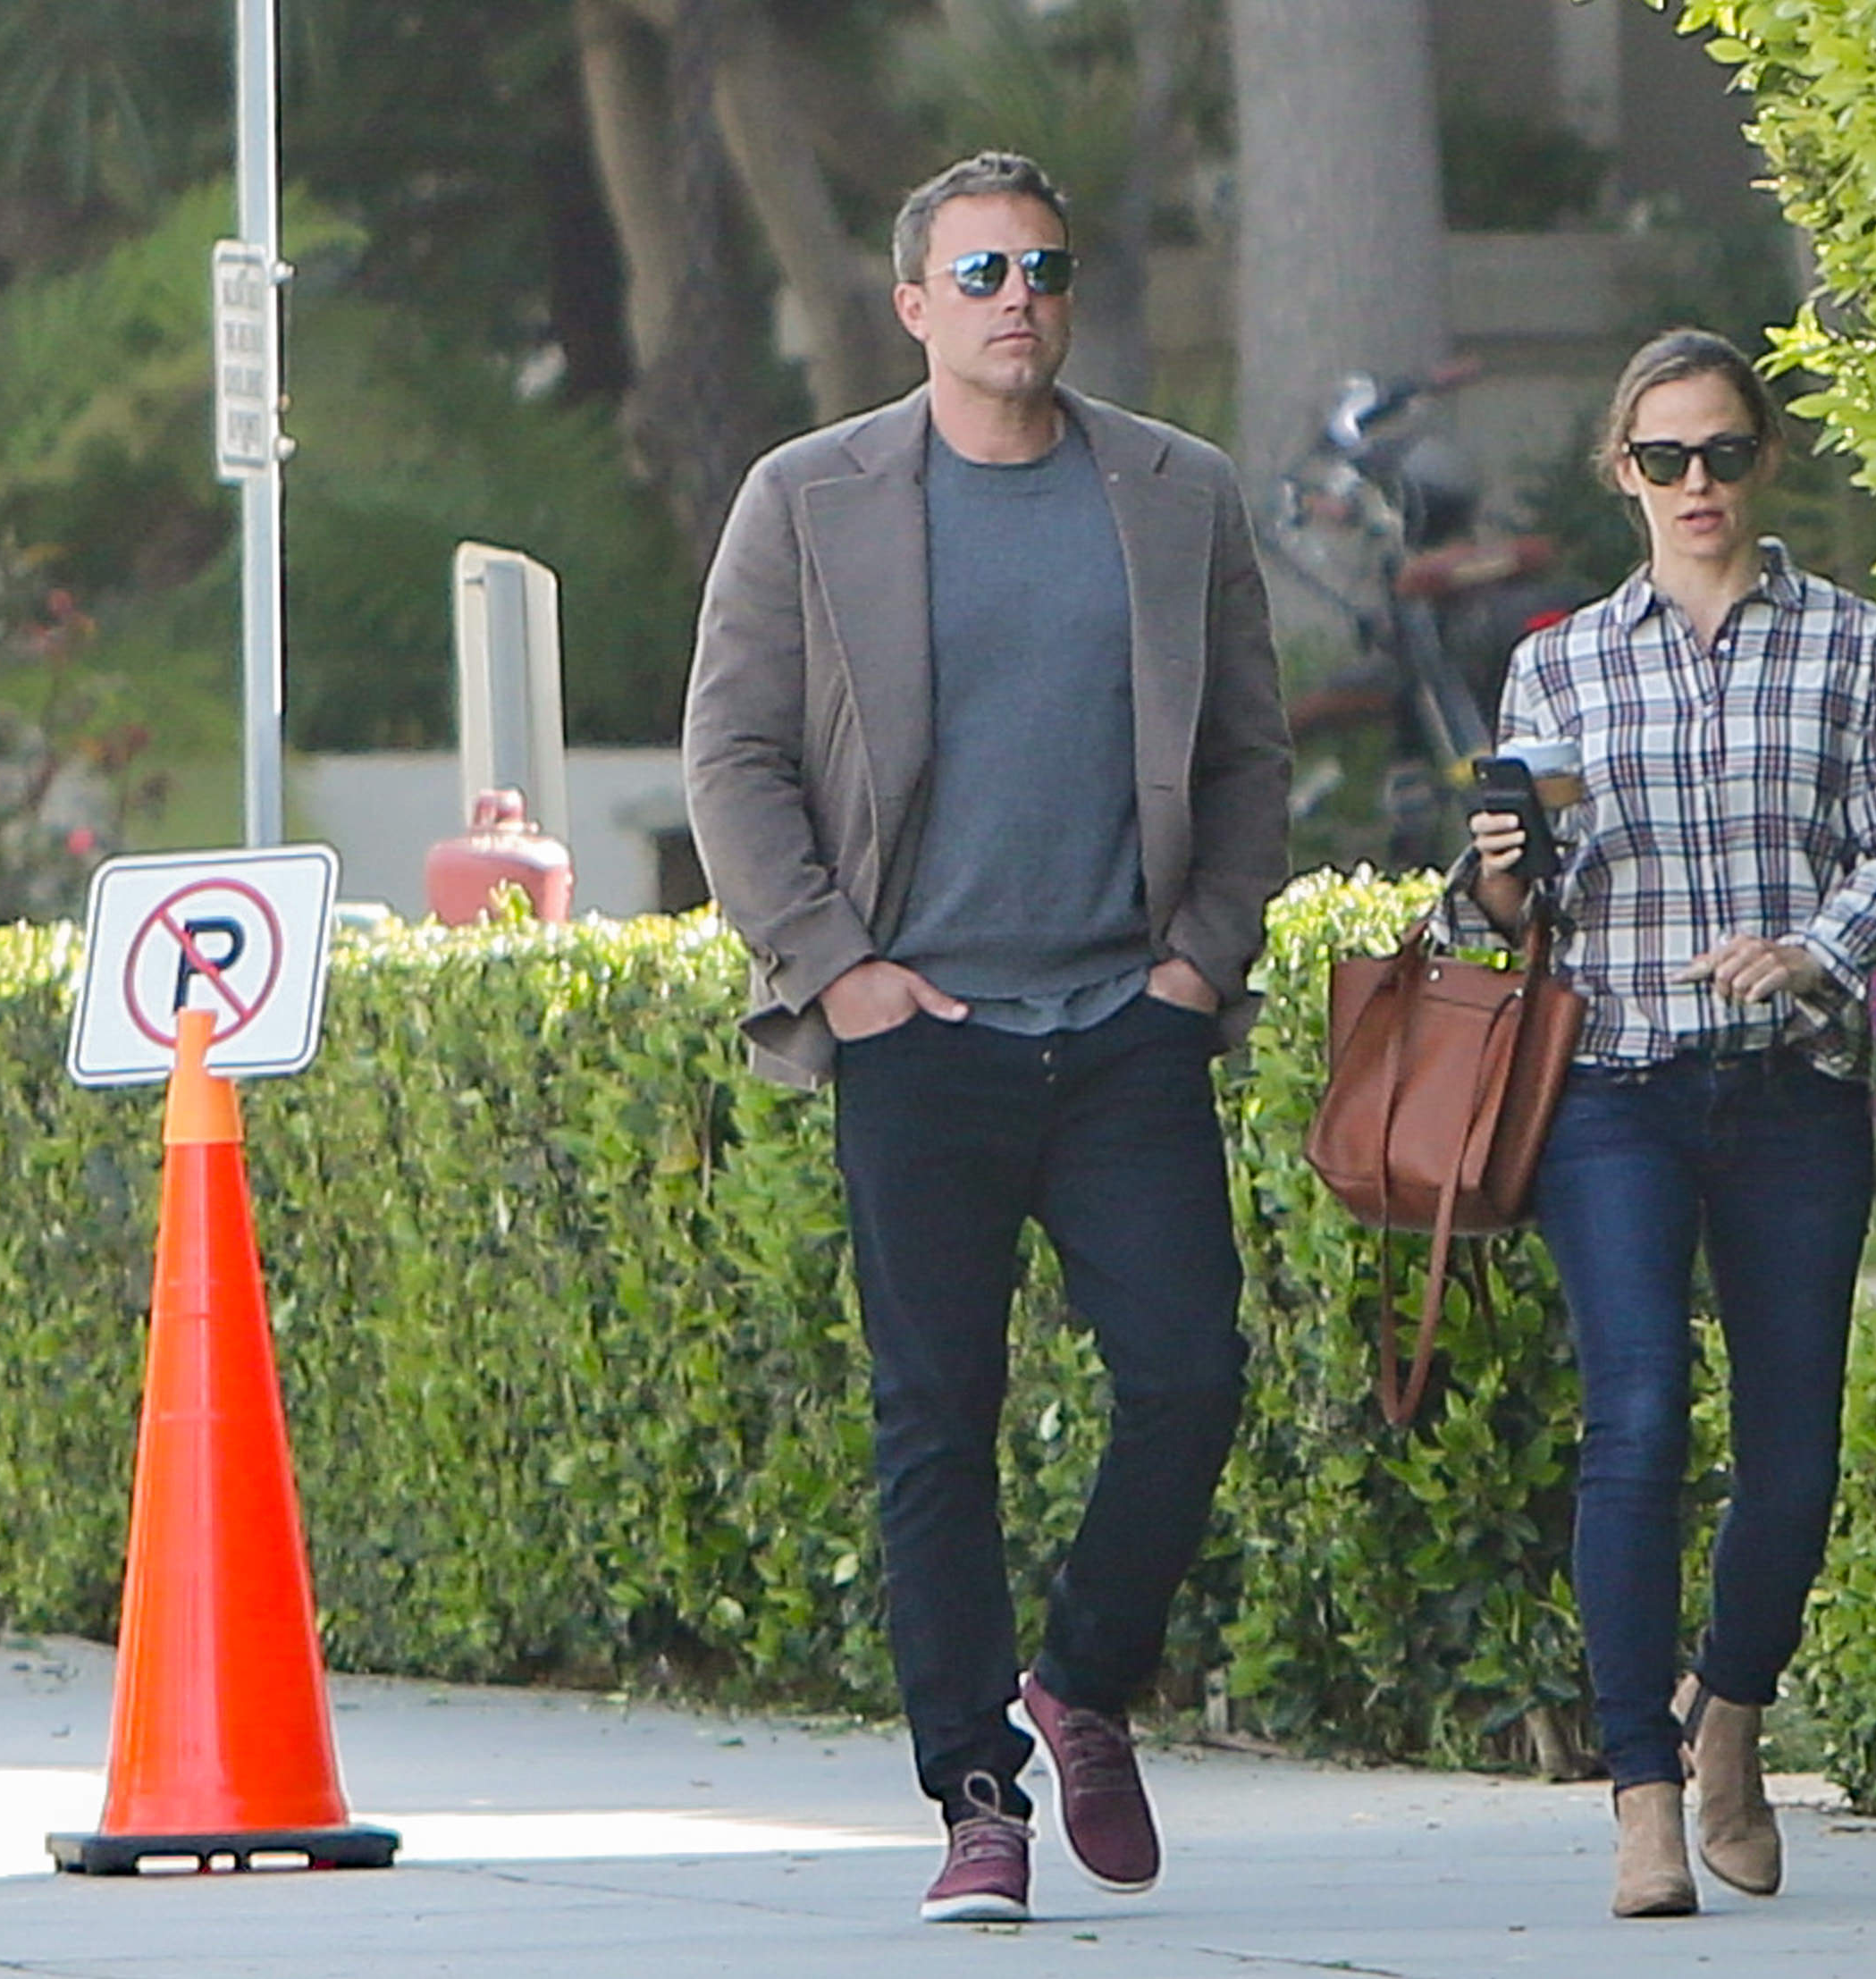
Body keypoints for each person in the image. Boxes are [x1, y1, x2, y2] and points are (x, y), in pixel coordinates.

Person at [681, 151, 1291, 1926]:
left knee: (1186, 1372)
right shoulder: (808, 498)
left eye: (1042, 267)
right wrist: (836, 968)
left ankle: (1081, 1679)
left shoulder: (1173, 494)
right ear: (911, 308)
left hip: (1124, 1026)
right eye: (979, 275)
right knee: (933, 1417)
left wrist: (1199, 958)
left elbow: (1247, 756)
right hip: (918, 1034)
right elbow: (733, 759)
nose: (1017, 296)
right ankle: (974, 1792)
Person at [1458, 328, 1876, 1917]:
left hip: (1791, 1082)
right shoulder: (1560, 664)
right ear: (1622, 474)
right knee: (1640, 1421)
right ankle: (1642, 1796)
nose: (1695, 486)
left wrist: (1818, 947)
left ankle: (1728, 1712)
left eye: (1722, 454)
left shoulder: (1858, 647)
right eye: (1663, 458)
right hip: (1614, 1082)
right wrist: (1502, 872)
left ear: (1766, 464)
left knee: (1793, 1455)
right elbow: (1501, 909)